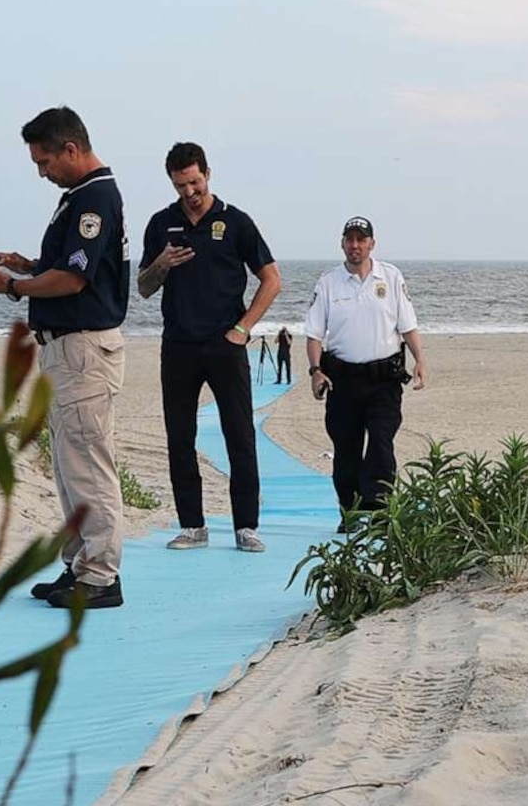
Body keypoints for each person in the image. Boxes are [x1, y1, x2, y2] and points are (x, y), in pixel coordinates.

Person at [0, 106, 130, 609]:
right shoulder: (80, 198)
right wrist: (29, 265)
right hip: (68, 347)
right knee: (69, 465)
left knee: (87, 462)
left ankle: (102, 576)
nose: (42, 172)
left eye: (44, 162)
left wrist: (15, 286)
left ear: (71, 149)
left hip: (84, 346)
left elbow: (74, 279)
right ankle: (80, 564)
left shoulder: (96, 198)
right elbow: (65, 267)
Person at [137, 142, 281, 553]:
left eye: (195, 182)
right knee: (179, 437)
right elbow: (144, 289)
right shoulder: (160, 223)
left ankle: (246, 527)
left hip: (225, 344)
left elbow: (271, 280)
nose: (189, 192)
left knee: (240, 436)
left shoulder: (235, 222)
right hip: (178, 345)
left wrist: (243, 328)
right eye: (181, 185)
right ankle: (193, 526)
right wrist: (162, 263)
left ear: (208, 174)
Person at [302, 216, 427, 523]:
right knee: (346, 451)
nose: (355, 245)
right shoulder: (328, 283)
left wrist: (420, 359)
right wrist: (316, 370)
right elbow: (314, 334)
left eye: (361, 240)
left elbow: (407, 325)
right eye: (350, 239)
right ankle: (350, 511)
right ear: (342, 243)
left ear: (372, 243)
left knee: (382, 445)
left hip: (384, 381)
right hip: (343, 382)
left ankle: (380, 512)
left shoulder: (391, 277)